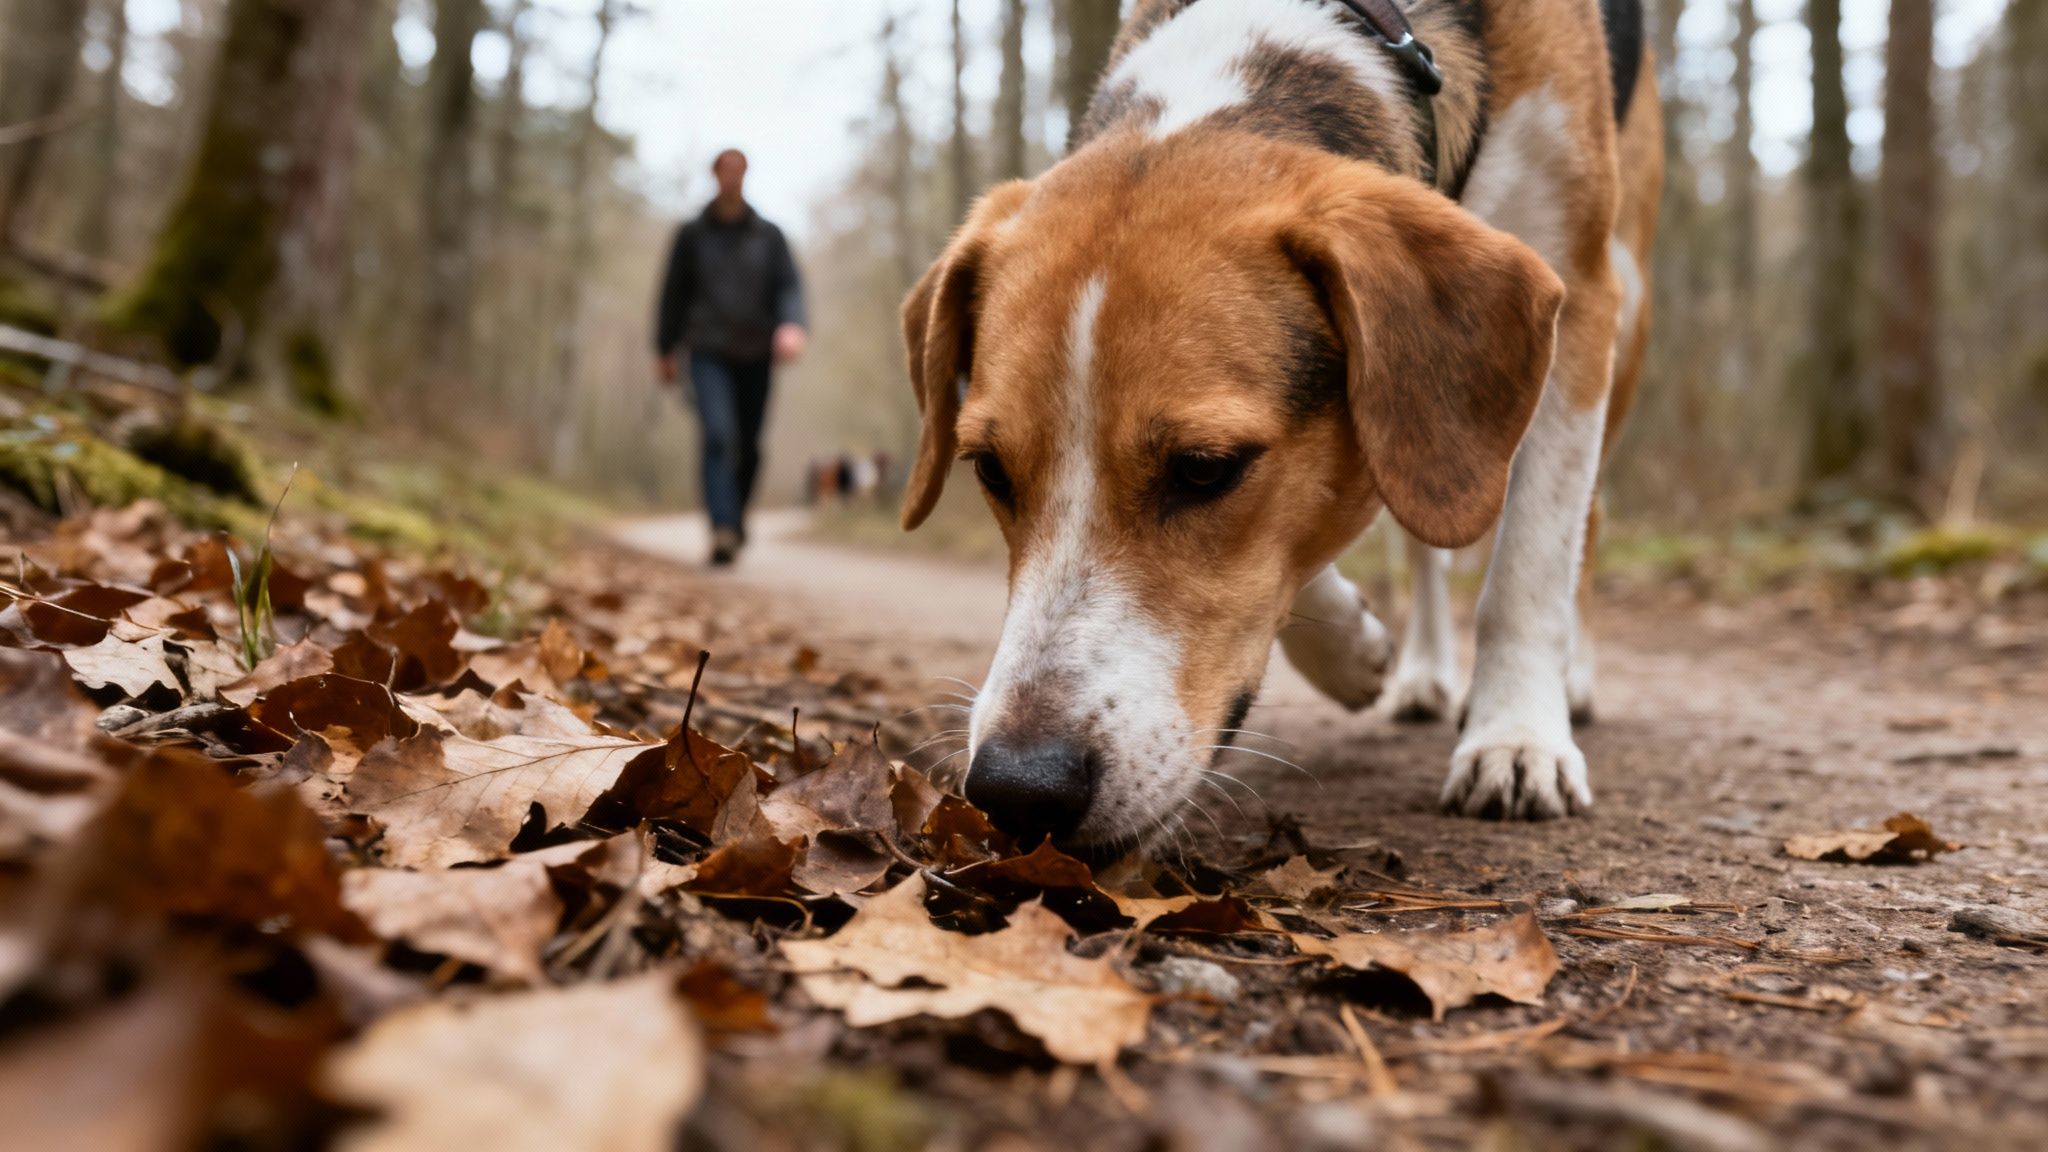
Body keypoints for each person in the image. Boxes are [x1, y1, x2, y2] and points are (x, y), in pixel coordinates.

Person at [655, 149, 807, 566]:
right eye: (726, 170)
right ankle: (722, 527)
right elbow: (672, 294)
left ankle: (736, 519)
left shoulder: (769, 236)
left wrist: (792, 325)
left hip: (757, 352)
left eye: (739, 171)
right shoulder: (692, 234)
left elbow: (789, 287)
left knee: (751, 446)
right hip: (707, 351)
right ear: (715, 175)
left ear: (746, 176)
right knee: (719, 436)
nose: (732, 178)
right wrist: (664, 349)